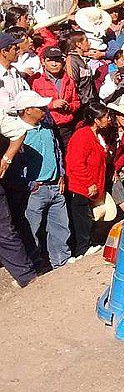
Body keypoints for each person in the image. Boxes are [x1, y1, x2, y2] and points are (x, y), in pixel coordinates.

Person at [6, 90, 70, 270]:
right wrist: (29, 185)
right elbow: (17, 165)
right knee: (30, 231)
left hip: (55, 185)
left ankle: (62, 264)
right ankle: (35, 267)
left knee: (60, 229)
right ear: (27, 110)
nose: (44, 109)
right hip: (35, 190)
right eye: (39, 107)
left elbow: (57, 152)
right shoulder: (17, 134)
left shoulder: (47, 128)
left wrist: (61, 174)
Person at [0, 33, 38, 287]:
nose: (19, 52)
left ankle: (25, 274)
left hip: (8, 143)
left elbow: (15, 128)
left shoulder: (14, 75)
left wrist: (7, 157)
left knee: (8, 219)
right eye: (14, 48)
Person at [65, 103, 111, 258]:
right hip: (82, 187)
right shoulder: (82, 136)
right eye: (105, 116)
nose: (108, 119)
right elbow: (75, 163)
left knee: (88, 217)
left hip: (93, 186)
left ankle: (88, 244)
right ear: (96, 120)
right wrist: (88, 183)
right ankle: (82, 249)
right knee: (81, 219)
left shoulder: (97, 135)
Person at [31, 47, 81, 147]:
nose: (54, 64)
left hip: (66, 127)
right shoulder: (36, 81)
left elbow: (76, 102)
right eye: (50, 60)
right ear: (43, 62)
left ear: (62, 62)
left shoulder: (69, 80)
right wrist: (51, 105)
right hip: (46, 125)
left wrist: (69, 107)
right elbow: (32, 106)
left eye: (57, 60)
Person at [63, 30, 99, 108]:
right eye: (86, 40)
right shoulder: (72, 60)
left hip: (89, 101)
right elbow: (72, 83)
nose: (89, 43)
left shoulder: (82, 59)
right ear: (78, 44)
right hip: (81, 104)